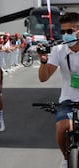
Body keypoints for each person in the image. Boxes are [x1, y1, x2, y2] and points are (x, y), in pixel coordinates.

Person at [37, 12, 79, 168]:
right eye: (63, 32)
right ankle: (66, 157)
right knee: (62, 127)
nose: (66, 35)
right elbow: (44, 77)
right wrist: (43, 62)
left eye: (70, 31)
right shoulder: (59, 50)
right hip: (68, 100)